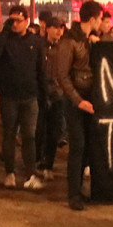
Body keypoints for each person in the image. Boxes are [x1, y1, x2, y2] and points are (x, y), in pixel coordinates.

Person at [0, 4, 47, 191]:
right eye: (11, 20)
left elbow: (41, 70)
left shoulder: (36, 42)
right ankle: (10, 172)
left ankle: (30, 173)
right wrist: (5, 33)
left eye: (18, 20)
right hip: (9, 95)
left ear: (26, 21)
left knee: (29, 136)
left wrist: (43, 95)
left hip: (29, 96)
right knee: (9, 134)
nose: (15, 24)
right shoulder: (4, 40)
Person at [56, 0, 103, 210]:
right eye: (100, 19)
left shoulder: (86, 39)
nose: (101, 23)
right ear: (92, 19)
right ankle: (72, 193)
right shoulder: (70, 41)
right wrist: (78, 100)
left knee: (85, 147)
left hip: (87, 97)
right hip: (76, 99)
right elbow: (62, 75)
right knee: (78, 146)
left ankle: (78, 190)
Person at [38, 17, 67, 181]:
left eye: (61, 28)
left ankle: (48, 164)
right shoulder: (39, 46)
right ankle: (38, 161)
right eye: (55, 27)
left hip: (58, 95)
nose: (59, 31)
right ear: (47, 28)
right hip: (41, 93)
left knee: (54, 132)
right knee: (39, 130)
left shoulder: (64, 48)